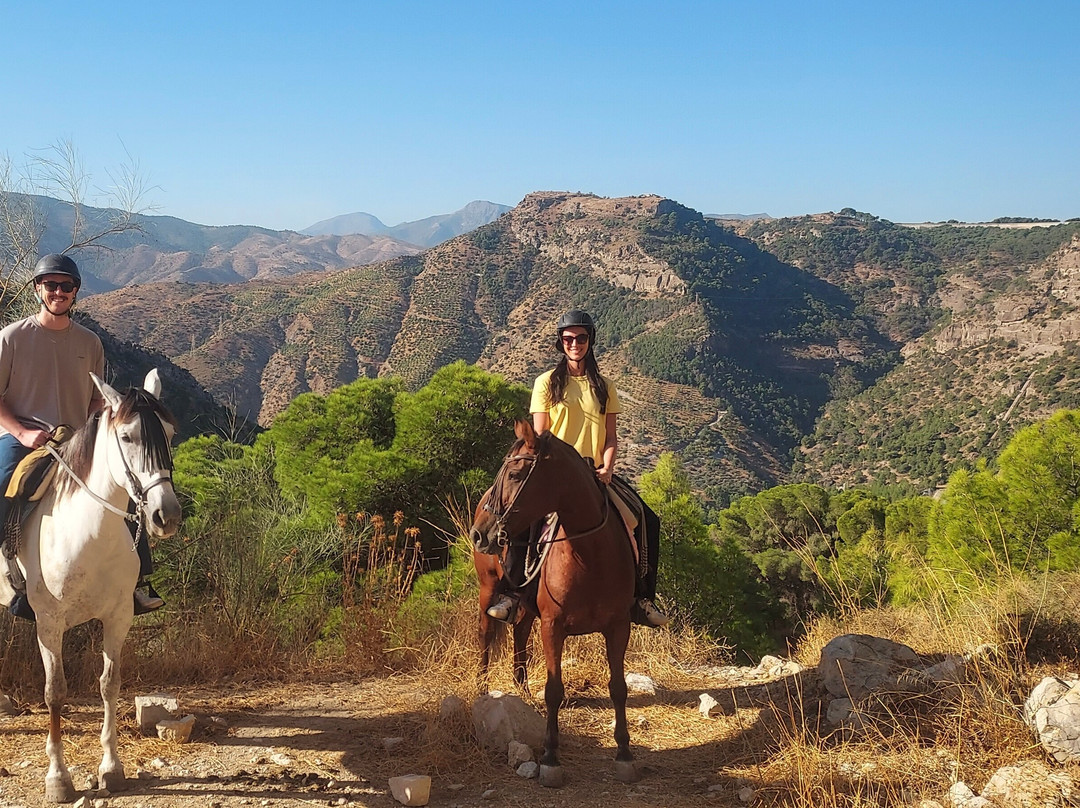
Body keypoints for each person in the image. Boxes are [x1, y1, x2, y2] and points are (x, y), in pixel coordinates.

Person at [0, 253, 164, 620]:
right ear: (38, 289)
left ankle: (139, 582)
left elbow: (94, 401)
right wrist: (23, 433)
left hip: (77, 438)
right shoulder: (10, 338)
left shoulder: (90, 343)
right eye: (51, 285)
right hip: (22, 437)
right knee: (2, 484)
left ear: (75, 292)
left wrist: (98, 430)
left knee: (128, 490)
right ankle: (13, 579)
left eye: (66, 286)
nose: (59, 292)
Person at [487, 309, 670, 627]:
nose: (575, 344)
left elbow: (611, 436)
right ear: (561, 342)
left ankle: (641, 598)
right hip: (553, 476)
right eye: (569, 338)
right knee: (524, 521)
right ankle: (513, 595)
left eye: (581, 338)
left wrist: (608, 468)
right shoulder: (546, 383)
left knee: (646, 519)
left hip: (596, 474)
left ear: (590, 341)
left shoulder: (604, 387)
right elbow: (540, 437)